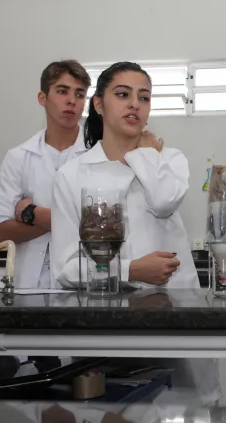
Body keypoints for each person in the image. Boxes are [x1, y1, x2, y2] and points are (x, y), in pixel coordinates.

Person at [51, 61, 198, 289]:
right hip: (108, 309)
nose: (134, 105)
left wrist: (147, 154)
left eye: (144, 98)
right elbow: (66, 268)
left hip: (174, 304)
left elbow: (163, 203)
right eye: (122, 94)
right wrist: (131, 270)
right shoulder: (71, 176)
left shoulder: (169, 159)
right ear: (98, 104)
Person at [0, 60, 91, 289]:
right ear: (42, 98)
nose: (72, 100)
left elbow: (101, 227)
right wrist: (63, 220)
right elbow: (0, 232)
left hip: (84, 283)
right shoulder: (18, 157)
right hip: (28, 285)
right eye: (62, 91)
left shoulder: (97, 154)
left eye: (80, 94)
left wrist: (30, 213)